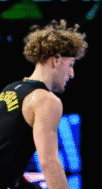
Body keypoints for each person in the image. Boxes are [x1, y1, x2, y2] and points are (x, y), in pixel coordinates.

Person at [0, 20, 88, 189]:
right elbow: (48, 162)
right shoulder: (47, 100)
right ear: (56, 60)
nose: (72, 74)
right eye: (70, 65)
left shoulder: (10, 89)